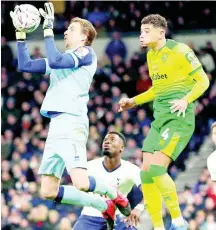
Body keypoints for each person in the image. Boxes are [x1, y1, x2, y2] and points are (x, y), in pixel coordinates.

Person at [10, 3, 131, 228]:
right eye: (65, 29)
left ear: (85, 37)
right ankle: (104, 206)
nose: (65, 32)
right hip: (56, 126)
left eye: (71, 30)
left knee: (81, 183)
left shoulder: (86, 53)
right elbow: (24, 64)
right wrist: (20, 34)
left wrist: (48, 29)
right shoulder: (63, 59)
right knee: (47, 190)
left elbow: (55, 61)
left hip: (73, 121)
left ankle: (111, 192)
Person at [118, 14, 209, 230]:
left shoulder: (180, 50)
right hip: (159, 119)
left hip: (178, 118)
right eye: (141, 31)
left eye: (146, 31)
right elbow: (158, 89)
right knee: (145, 171)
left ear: (161, 33)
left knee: (157, 168)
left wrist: (186, 100)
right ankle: (158, 227)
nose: (141, 35)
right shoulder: (151, 55)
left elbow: (203, 81)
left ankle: (178, 221)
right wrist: (134, 101)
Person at [73, 131, 144, 230]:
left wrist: (138, 208)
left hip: (119, 218)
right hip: (90, 216)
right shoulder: (89, 166)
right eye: (105, 140)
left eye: (112, 140)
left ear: (122, 148)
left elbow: (150, 191)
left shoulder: (131, 169)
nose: (107, 142)